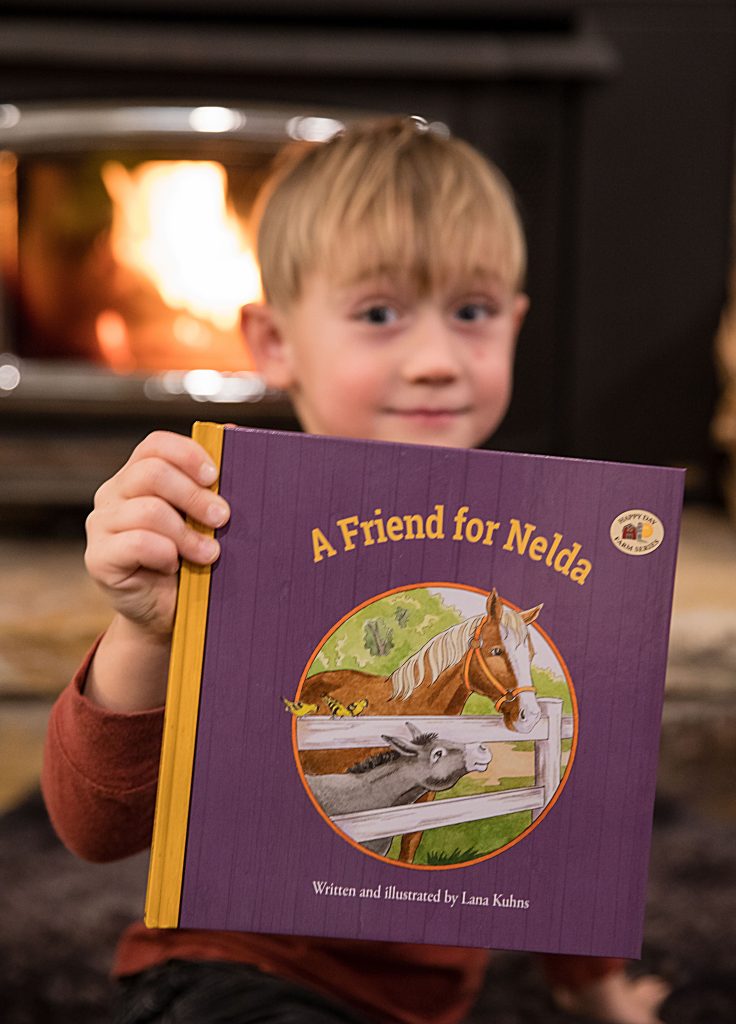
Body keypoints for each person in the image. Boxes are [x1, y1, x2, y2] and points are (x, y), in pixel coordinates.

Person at [42, 117, 668, 1024]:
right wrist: (143, 628)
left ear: (516, 324)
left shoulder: (545, 554)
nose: (435, 362)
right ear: (274, 342)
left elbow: (578, 826)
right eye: (379, 314)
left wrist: (601, 993)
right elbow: (93, 832)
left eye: (473, 312)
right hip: (230, 973)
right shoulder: (228, 530)